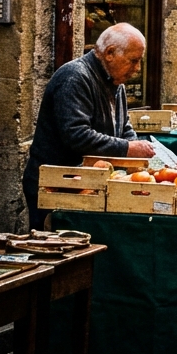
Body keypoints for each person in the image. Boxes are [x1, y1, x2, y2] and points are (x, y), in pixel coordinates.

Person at [23, 23, 157, 229]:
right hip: (58, 185)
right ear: (110, 53)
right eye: (133, 61)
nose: (137, 69)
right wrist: (127, 148)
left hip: (90, 182)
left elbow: (123, 126)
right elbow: (77, 135)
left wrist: (133, 145)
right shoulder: (74, 77)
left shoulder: (115, 81)